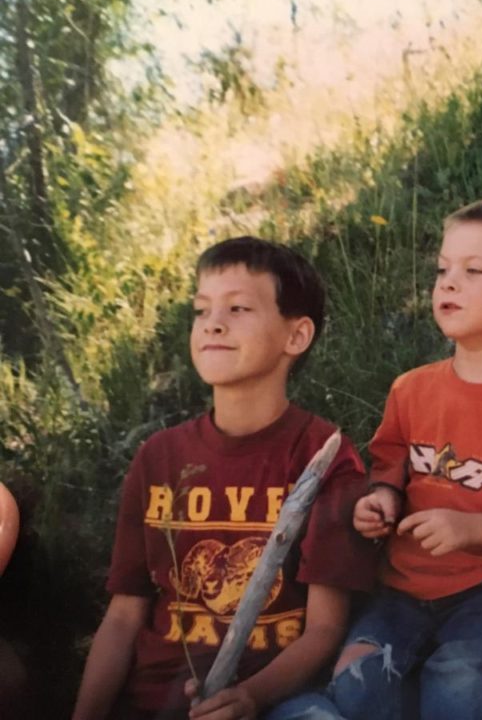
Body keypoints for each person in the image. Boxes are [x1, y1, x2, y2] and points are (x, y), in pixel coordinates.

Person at [72, 237, 376, 720]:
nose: (213, 323)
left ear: (295, 337)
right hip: (152, 702)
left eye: (238, 308)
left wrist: (252, 696)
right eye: (201, 309)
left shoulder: (323, 456)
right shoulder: (160, 458)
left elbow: (324, 628)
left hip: (275, 700)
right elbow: (124, 616)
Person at [299, 198, 482, 720]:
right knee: (356, 685)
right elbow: (389, 467)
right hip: (400, 585)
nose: (448, 283)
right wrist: (380, 501)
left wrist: (467, 528)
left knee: (463, 682)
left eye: (472, 271)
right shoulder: (411, 390)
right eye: (443, 270)